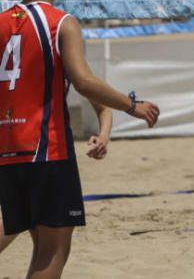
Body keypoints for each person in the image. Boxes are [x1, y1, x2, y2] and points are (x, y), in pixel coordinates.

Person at [0, 0, 160, 278]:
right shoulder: (61, 22)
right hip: (47, 151)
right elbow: (85, 82)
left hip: (8, 150)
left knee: (31, 237)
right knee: (52, 250)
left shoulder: (1, 24)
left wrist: (104, 131)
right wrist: (134, 106)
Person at [0, 101, 112, 253]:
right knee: (53, 250)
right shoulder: (58, 77)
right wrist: (131, 106)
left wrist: (103, 136)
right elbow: (93, 93)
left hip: (11, 151)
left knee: (26, 229)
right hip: (45, 154)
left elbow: (102, 104)